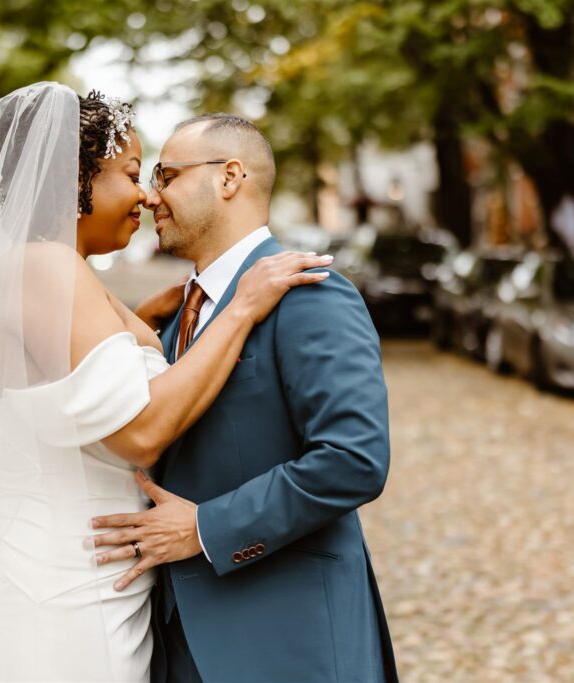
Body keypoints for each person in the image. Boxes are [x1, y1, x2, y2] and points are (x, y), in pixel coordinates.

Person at [0, 83, 330, 682]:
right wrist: (240, 310)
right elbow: (141, 433)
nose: (143, 194)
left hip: (91, 582)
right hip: (50, 593)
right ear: (75, 179)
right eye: (131, 173)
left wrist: (153, 320)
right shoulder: (43, 265)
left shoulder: (61, 270)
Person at [91, 113, 399, 682]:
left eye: (168, 175)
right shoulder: (180, 309)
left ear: (229, 177)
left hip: (286, 638)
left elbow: (354, 460)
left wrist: (206, 528)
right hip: (178, 636)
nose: (152, 197)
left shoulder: (311, 294)